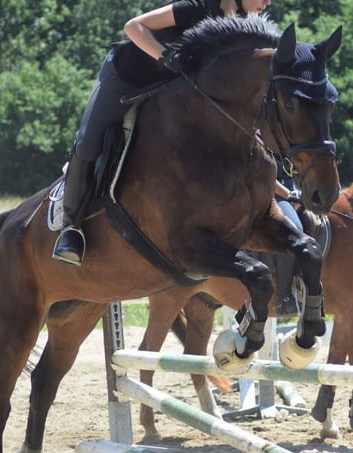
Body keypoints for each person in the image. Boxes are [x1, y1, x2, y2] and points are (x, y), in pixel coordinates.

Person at [53, 0, 273, 266]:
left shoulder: (239, 23)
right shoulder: (196, 7)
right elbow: (134, 27)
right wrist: (166, 56)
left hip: (167, 93)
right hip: (126, 79)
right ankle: (71, 227)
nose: (267, 2)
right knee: (89, 144)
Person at [273, 165, 303, 315]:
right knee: (293, 230)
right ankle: (283, 297)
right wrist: (290, 195)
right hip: (269, 187)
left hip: (292, 186)